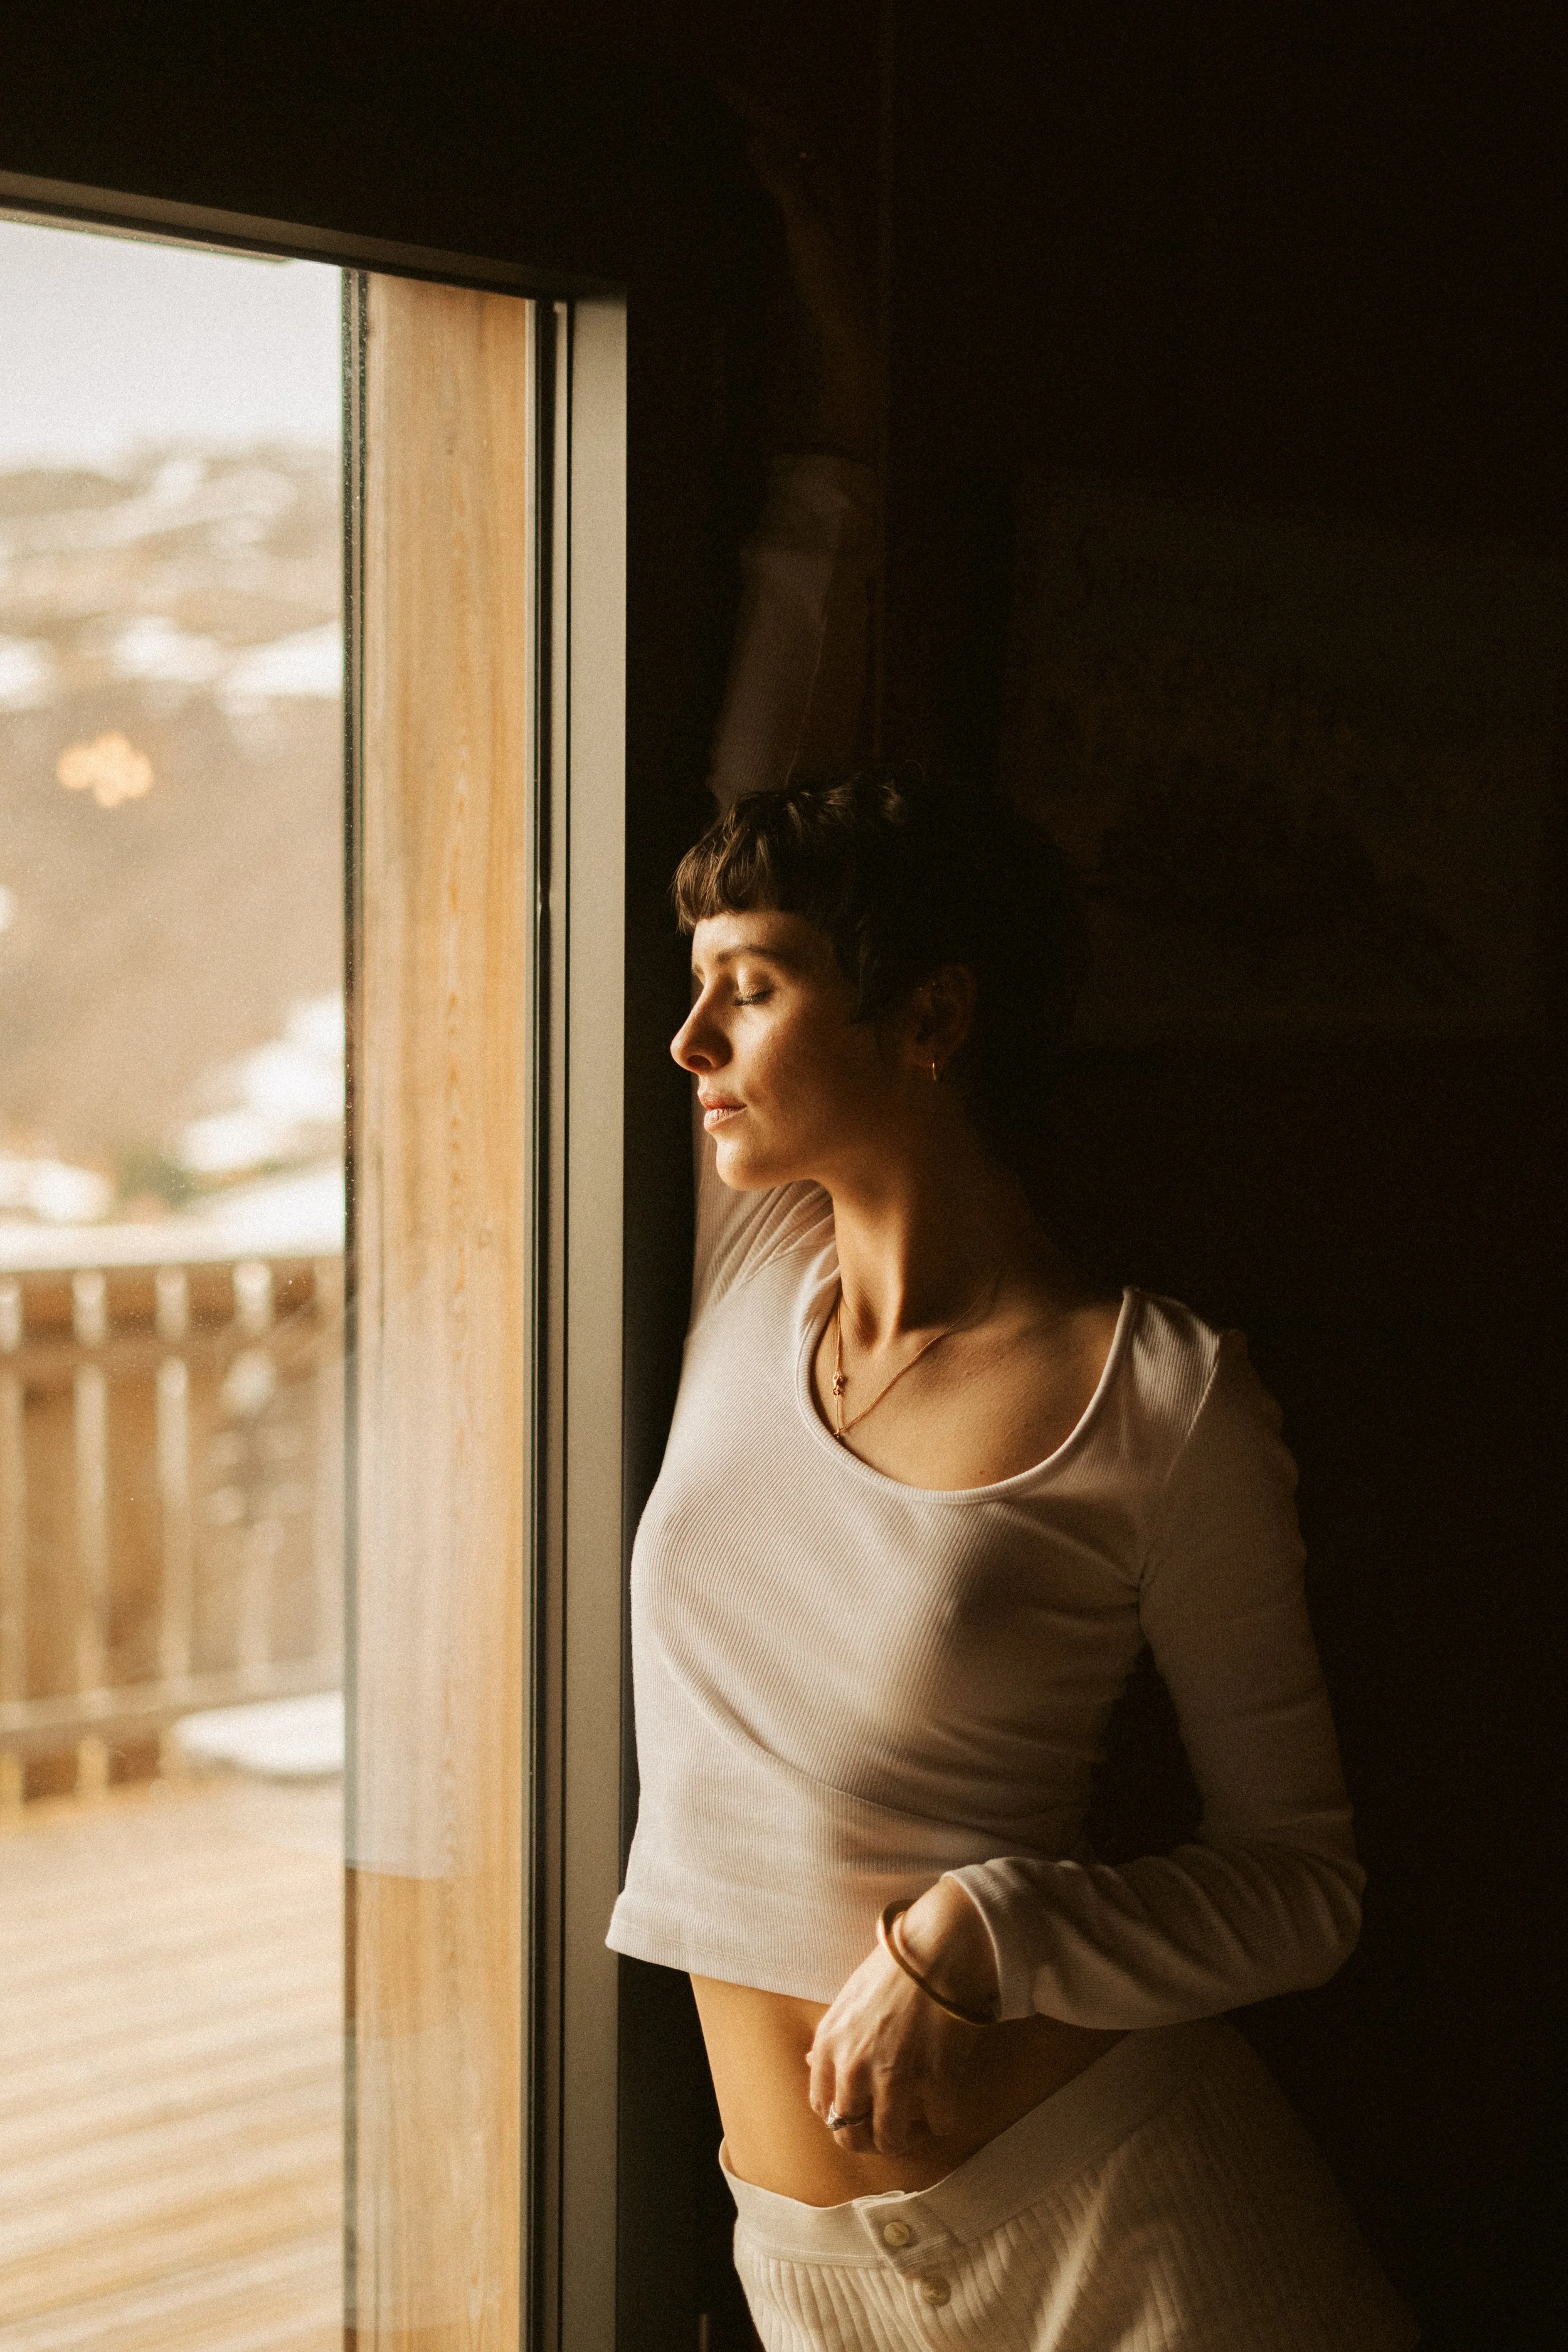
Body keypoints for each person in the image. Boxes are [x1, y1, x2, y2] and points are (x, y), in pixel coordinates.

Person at [605, 137, 1418, 2352]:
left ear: (931, 1016)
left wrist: (991, 1921)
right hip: (804, 2267)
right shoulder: (756, 1266)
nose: (691, 1034)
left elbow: (1306, 1882)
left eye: (753, 982)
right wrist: (824, 447)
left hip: (1117, 2231)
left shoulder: (1155, 1398)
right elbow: (763, 739)